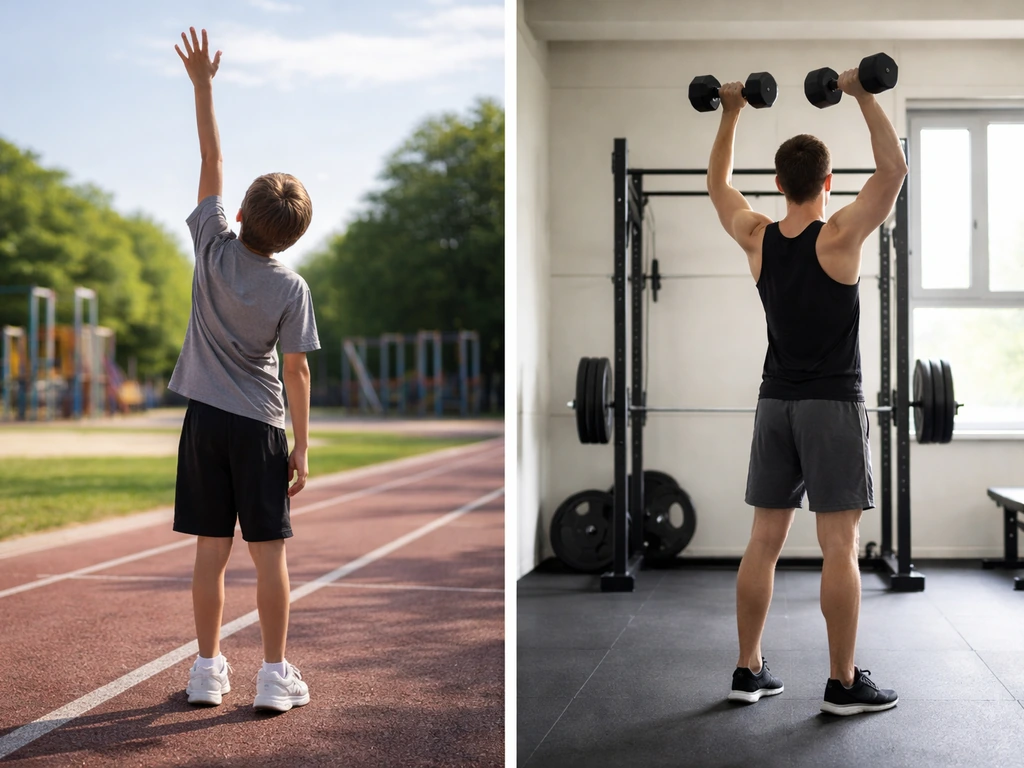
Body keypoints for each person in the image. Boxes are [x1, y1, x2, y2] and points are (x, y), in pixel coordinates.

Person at [706, 65, 907, 716]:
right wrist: (861, 93)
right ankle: (844, 682)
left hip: (775, 406)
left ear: (777, 183)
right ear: (827, 183)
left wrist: (731, 110)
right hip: (831, 406)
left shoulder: (757, 237)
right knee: (839, 546)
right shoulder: (840, 236)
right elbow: (892, 171)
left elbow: (718, 186)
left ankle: (747, 669)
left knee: (763, 541)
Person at [171, 27, 319, 713]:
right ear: (293, 236)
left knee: (210, 552)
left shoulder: (210, 246)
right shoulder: (291, 289)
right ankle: (273, 675)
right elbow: (297, 374)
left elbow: (211, 155)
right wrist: (303, 445)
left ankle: (206, 670)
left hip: (203, 421)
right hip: (259, 427)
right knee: (270, 558)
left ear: (238, 215)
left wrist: (203, 86)